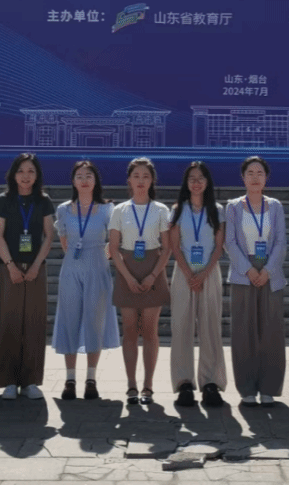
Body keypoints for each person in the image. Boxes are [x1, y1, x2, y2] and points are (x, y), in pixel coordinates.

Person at [52, 160, 119, 401]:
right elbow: (65, 241)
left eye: (88, 175)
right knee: (69, 320)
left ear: (95, 180)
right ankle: (70, 379)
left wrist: (100, 257)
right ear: (73, 181)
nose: (84, 180)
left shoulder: (107, 209)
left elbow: (114, 242)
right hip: (71, 268)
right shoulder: (63, 210)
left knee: (95, 321)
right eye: (79, 176)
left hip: (97, 268)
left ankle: (91, 378)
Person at [224, 156, 287, 407]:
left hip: (270, 273)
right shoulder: (233, 206)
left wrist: (268, 270)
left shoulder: (276, 206)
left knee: (271, 332)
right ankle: (247, 388)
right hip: (243, 274)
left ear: (266, 178)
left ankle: (269, 387)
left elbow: (281, 241)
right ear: (243, 177)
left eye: (260, 173)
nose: (255, 177)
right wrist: (248, 270)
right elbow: (230, 242)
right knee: (243, 332)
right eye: (250, 172)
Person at [0, 153, 56, 400]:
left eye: (31, 171)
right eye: (21, 171)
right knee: (9, 321)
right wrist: (10, 265)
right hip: (10, 267)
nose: (25, 176)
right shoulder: (4, 200)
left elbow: (49, 235)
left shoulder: (43, 200)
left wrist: (36, 265)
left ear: (37, 175)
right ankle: (8, 381)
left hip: (36, 268)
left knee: (34, 323)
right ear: (13, 175)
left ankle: (31, 381)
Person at [108, 157, 171, 405]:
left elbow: (167, 248)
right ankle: (132, 385)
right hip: (127, 270)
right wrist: (128, 276)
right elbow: (114, 248)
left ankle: (148, 386)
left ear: (152, 180)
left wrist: (153, 274)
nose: (141, 181)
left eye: (146, 176)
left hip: (153, 268)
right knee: (130, 330)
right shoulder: (119, 210)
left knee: (150, 330)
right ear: (129, 180)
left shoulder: (161, 210)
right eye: (136, 176)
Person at [167, 161, 227, 407]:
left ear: (207, 182)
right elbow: (174, 245)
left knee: (210, 328)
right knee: (181, 327)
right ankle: (184, 383)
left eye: (201, 177)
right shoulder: (177, 210)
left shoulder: (217, 210)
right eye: (192, 178)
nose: (196, 182)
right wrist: (188, 273)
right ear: (186, 182)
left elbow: (219, 246)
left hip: (209, 273)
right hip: (183, 273)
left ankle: (211, 382)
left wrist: (203, 274)